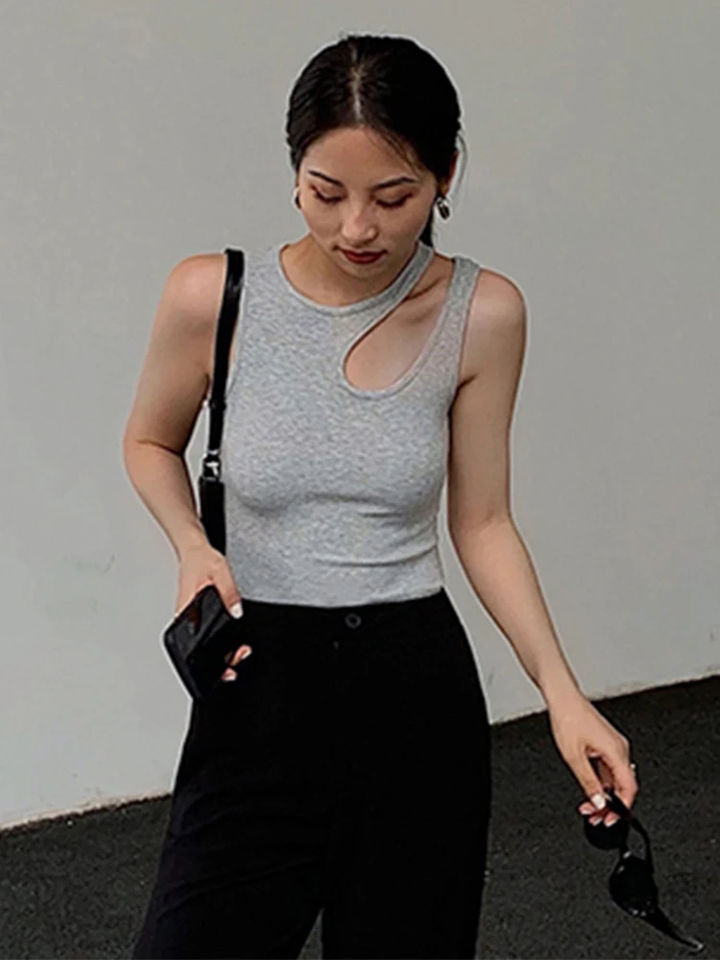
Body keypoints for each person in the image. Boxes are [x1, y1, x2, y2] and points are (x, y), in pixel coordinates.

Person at [123, 31, 633, 960]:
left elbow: (484, 522)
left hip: (414, 698)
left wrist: (564, 696)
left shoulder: (484, 314)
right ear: (295, 174)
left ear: (445, 177)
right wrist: (194, 547)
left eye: (394, 197)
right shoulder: (214, 298)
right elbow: (150, 442)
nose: (358, 227)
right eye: (327, 192)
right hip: (259, 689)